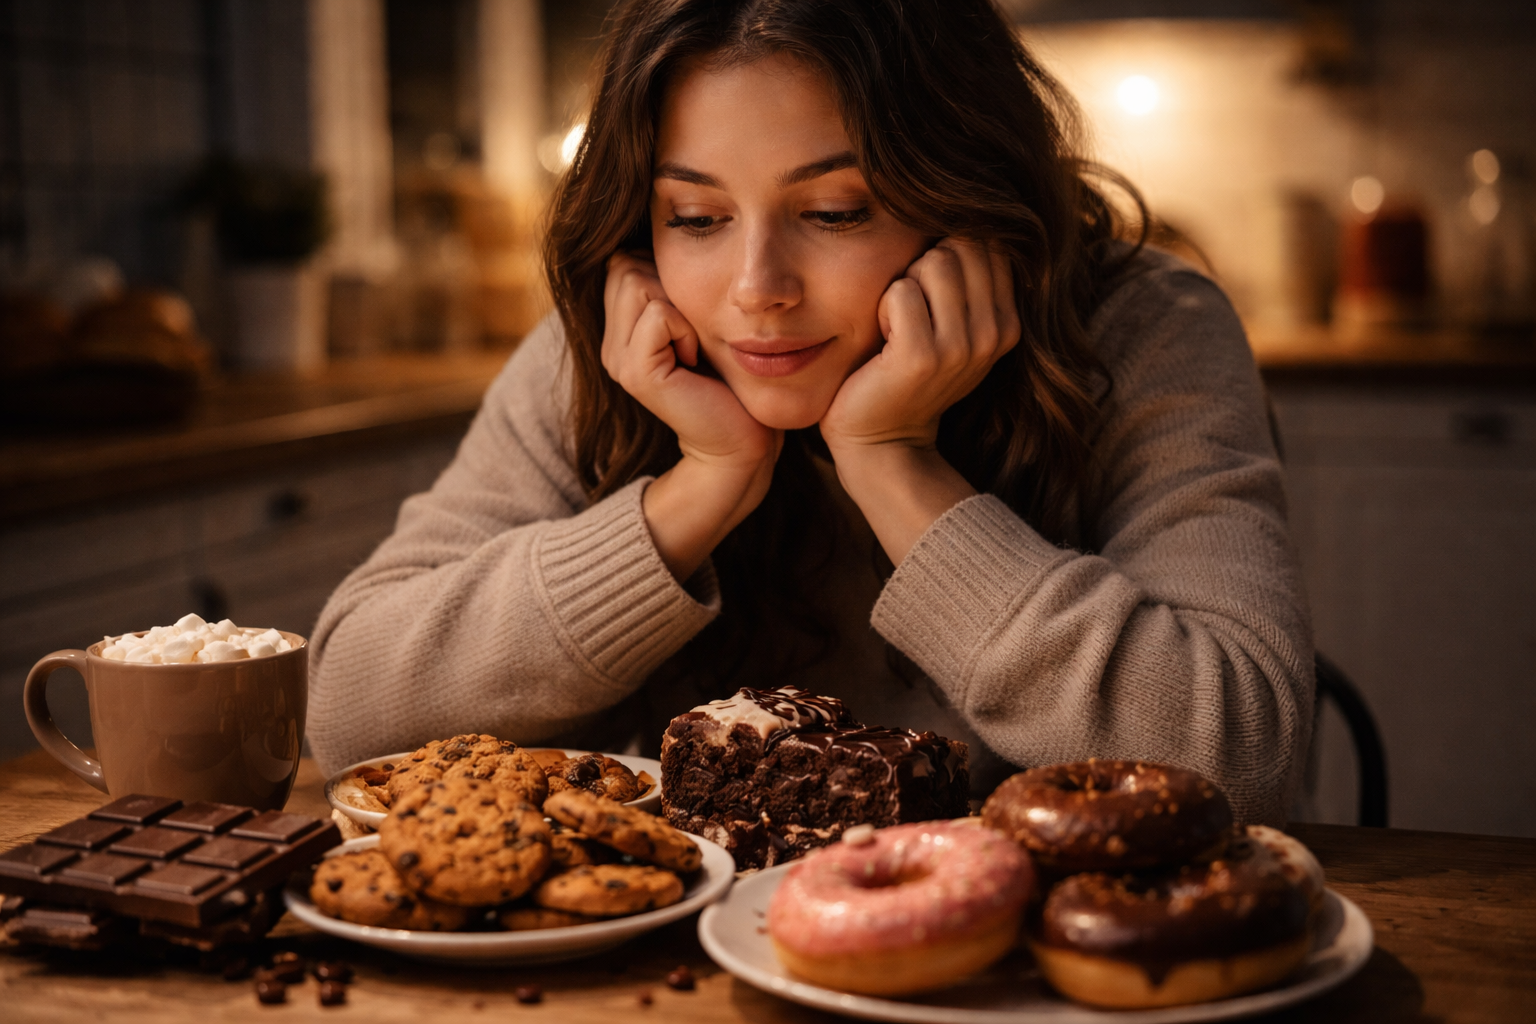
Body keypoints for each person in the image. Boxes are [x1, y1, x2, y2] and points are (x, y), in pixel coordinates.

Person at [308, 0, 1313, 824]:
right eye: (696, 218)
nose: (756, 288)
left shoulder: (1146, 331)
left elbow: (1246, 762)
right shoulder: (621, 351)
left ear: (966, 200)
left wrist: (893, 463)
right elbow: (349, 705)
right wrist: (699, 490)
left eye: (835, 212)